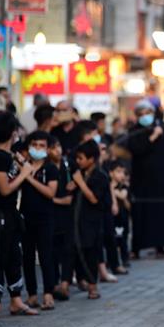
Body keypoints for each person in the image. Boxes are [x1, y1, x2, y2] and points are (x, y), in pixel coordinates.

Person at [0, 112, 38, 317]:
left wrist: (21, 162)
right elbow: (5, 189)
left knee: (13, 256)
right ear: (12, 132)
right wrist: (24, 174)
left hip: (9, 214)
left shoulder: (7, 155)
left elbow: (30, 171)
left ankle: (16, 301)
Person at [127, 99, 164, 259]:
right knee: (140, 214)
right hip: (141, 181)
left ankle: (160, 246)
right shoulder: (134, 131)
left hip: (161, 179)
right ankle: (136, 248)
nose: (145, 117)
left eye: (147, 113)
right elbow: (136, 150)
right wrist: (153, 137)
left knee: (160, 213)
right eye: (141, 114)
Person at [20, 131, 59, 310]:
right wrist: (24, 172)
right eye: (34, 145)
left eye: (42, 145)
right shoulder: (23, 166)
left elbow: (50, 192)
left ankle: (48, 294)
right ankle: (32, 295)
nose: (37, 148)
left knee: (46, 255)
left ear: (48, 148)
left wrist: (28, 177)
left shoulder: (50, 168)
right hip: (26, 217)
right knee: (27, 257)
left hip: (45, 218)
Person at [72, 140, 111, 299]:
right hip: (77, 221)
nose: (78, 161)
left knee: (91, 253)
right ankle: (80, 280)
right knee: (76, 250)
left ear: (91, 159)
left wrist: (80, 183)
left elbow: (95, 199)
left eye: (81, 158)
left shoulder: (100, 176)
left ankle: (93, 286)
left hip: (93, 222)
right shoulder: (79, 173)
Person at [49, 138, 75, 301]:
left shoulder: (68, 165)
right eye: (53, 147)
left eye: (58, 146)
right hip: (51, 214)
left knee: (68, 249)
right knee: (51, 250)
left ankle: (65, 283)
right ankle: (53, 284)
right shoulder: (45, 167)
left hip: (67, 213)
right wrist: (57, 200)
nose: (57, 150)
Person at [109, 161, 132, 268]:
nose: (121, 175)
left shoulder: (123, 186)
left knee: (122, 239)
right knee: (113, 240)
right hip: (112, 218)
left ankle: (124, 258)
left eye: (123, 172)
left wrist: (112, 189)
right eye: (118, 172)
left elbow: (123, 196)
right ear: (111, 173)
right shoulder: (108, 186)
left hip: (122, 218)